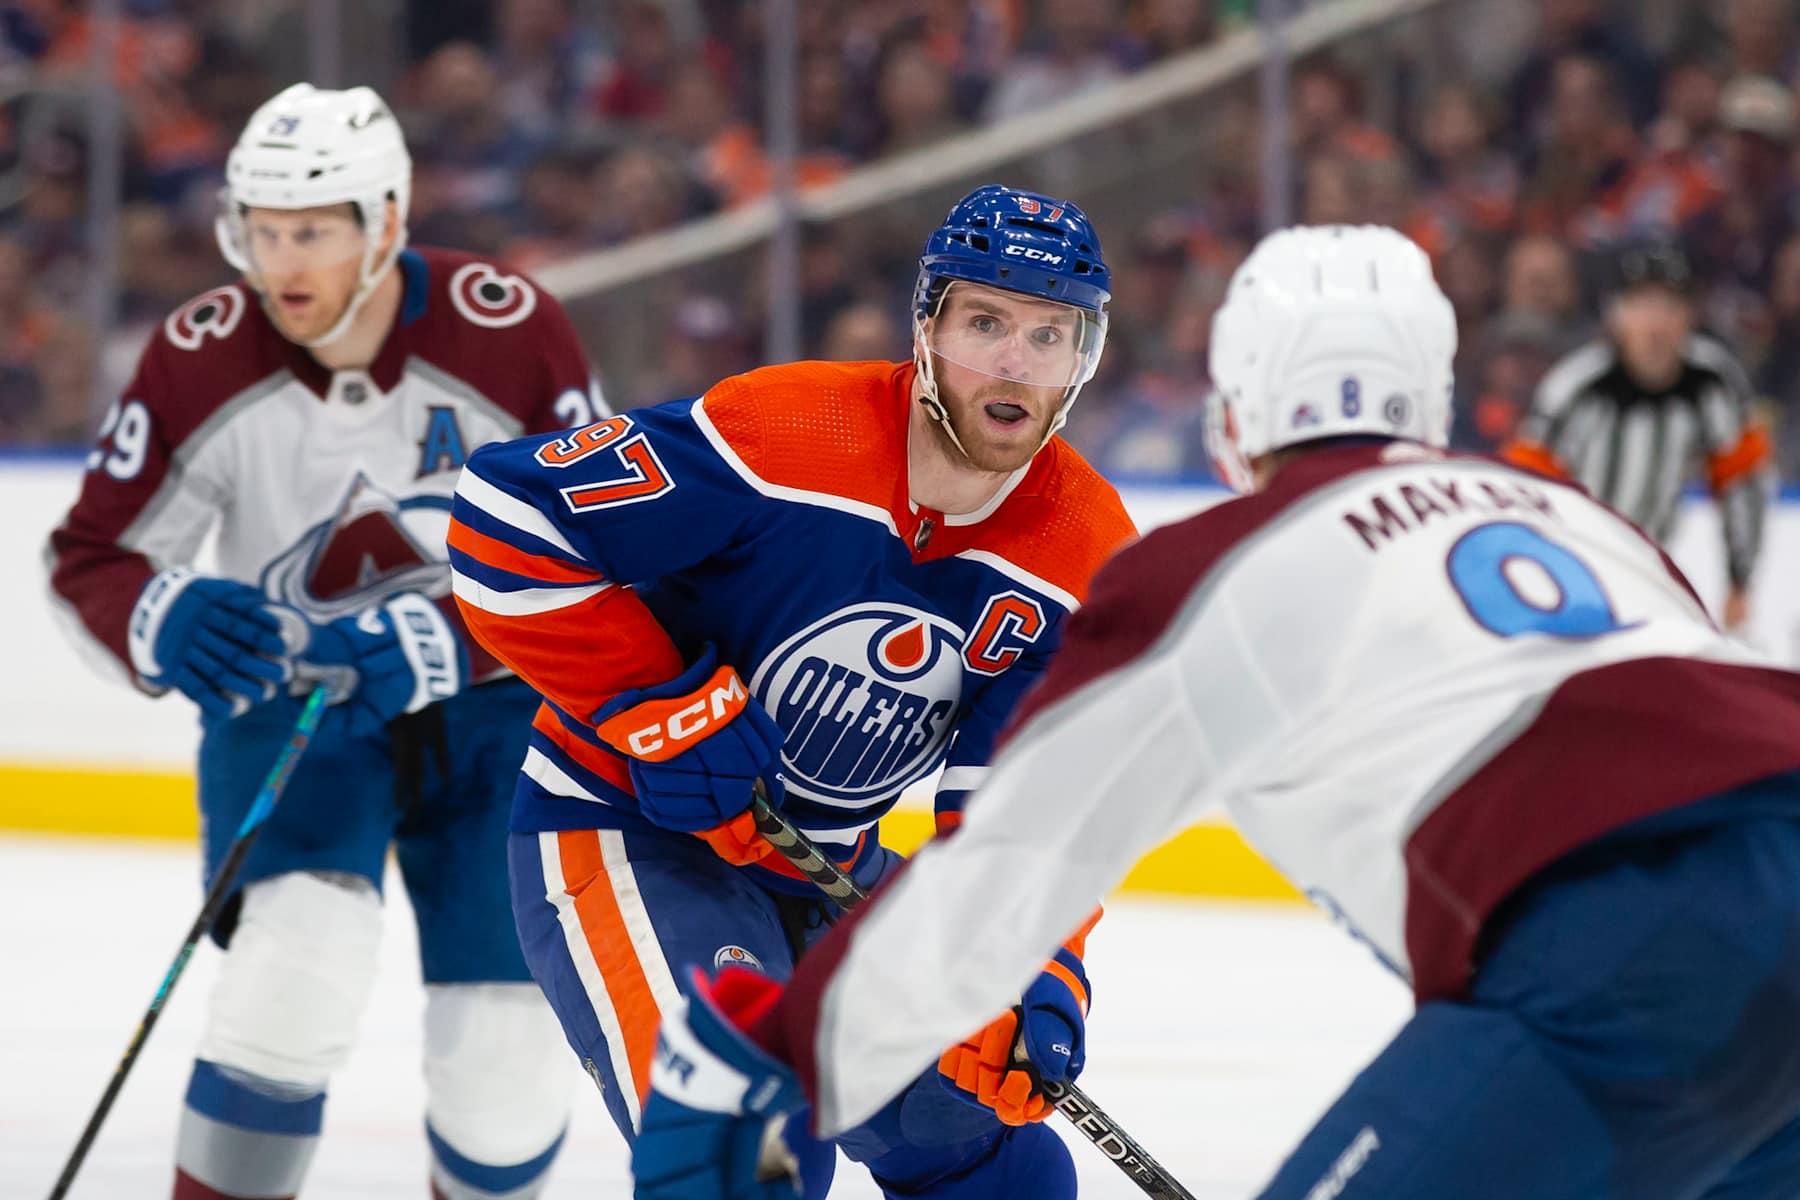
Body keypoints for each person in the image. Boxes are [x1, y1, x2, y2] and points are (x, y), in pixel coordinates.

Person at [629, 225, 1800, 1200]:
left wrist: (781, 1053)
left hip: (1629, 954)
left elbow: (1013, 859)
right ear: (1432, 391)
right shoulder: (1586, 522)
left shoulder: (1217, 561)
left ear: (1235, 410)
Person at [448, 184, 1137, 1199]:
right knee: (745, 1141)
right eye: (985, 321)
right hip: (623, 825)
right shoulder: (784, 430)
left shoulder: (1084, 546)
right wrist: (660, 707)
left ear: (1084, 357)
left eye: (1050, 333)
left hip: (824, 864)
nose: (1013, 360)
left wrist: (1035, 966)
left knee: (982, 1142)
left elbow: (1029, 803)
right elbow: (506, 513)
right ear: (928, 325)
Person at [46, 83, 602, 1200]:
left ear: (386, 222)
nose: (283, 260)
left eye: (313, 230)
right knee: (287, 991)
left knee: (503, 1069)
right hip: (296, 705)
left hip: (497, 722)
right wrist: (163, 615)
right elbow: (91, 556)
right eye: (263, 230)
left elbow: (604, 552)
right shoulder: (199, 354)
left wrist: (463, 639)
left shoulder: (511, 331)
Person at [1502, 238, 1773, 632]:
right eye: (1641, 305)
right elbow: (1521, 492)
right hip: (1569, 570)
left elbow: (1742, 484)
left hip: (1649, 570)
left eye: (1669, 306)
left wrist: (1740, 580)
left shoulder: (1712, 383)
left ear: (1690, 315)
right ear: (1615, 315)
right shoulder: (1575, 389)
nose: (1656, 323)